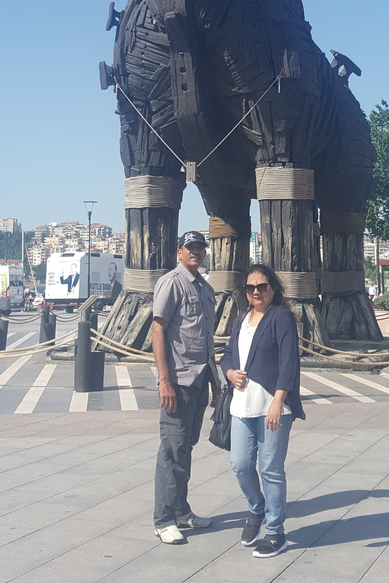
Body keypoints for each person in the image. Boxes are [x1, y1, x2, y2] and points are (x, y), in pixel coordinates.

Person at [221, 264, 305, 559]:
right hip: (241, 406)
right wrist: (229, 372)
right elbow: (228, 354)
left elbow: (288, 362)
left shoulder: (280, 318)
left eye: (262, 287)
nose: (256, 292)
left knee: (270, 469)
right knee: (240, 464)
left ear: (273, 289)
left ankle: (275, 532)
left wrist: (279, 401)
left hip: (271, 405)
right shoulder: (240, 320)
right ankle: (256, 509)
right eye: (250, 288)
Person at [151, 231, 219, 545]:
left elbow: (206, 341)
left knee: (186, 448)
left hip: (199, 379)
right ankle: (163, 518)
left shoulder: (205, 288)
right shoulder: (171, 282)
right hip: (177, 381)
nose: (196, 253)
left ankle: (181, 510)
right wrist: (164, 380)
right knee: (172, 450)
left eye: (200, 248)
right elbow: (158, 329)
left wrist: (215, 383)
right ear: (179, 252)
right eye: (190, 248)